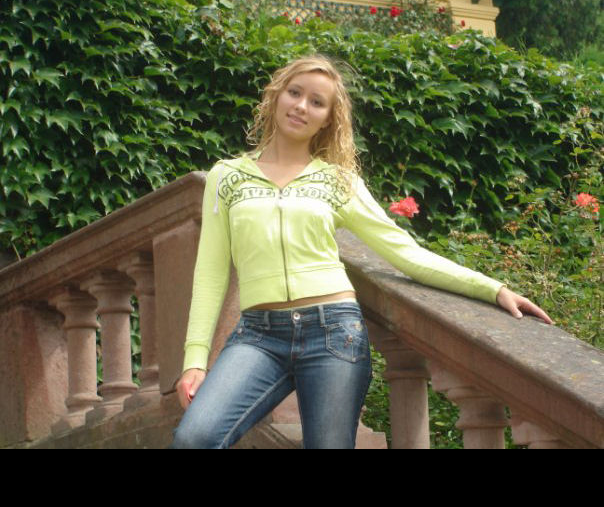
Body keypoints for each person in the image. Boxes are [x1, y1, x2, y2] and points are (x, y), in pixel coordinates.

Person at [170, 54, 553, 449]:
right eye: (295, 93)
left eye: (317, 102)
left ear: (328, 119)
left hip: (333, 332)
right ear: (276, 96)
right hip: (258, 335)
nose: (301, 106)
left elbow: (405, 253)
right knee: (194, 437)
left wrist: (492, 288)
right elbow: (211, 272)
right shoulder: (227, 177)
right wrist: (195, 360)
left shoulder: (339, 181)